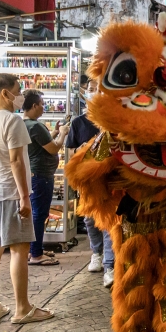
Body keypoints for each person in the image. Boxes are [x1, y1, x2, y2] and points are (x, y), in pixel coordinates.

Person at [0, 74, 55, 325]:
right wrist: (24, 197)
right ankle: (23, 308)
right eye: (17, 90)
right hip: (10, 194)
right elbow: (16, 160)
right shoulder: (13, 121)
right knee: (20, 251)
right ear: (4, 94)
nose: (20, 95)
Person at [65, 77, 115, 288]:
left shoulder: (111, 120)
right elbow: (70, 151)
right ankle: (96, 253)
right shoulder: (78, 123)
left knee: (109, 220)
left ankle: (109, 265)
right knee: (89, 219)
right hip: (87, 180)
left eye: (99, 89)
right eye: (92, 88)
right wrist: (85, 150)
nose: (95, 92)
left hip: (110, 179)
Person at [22, 89, 70, 266]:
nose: (43, 107)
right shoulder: (35, 126)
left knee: (37, 214)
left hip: (37, 174)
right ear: (34, 105)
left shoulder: (26, 124)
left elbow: (43, 145)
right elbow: (53, 149)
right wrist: (64, 132)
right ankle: (35, 254)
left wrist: (55, 132)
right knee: (39, 214)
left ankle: (35, 249)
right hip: (41, 176)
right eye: (42, 104)